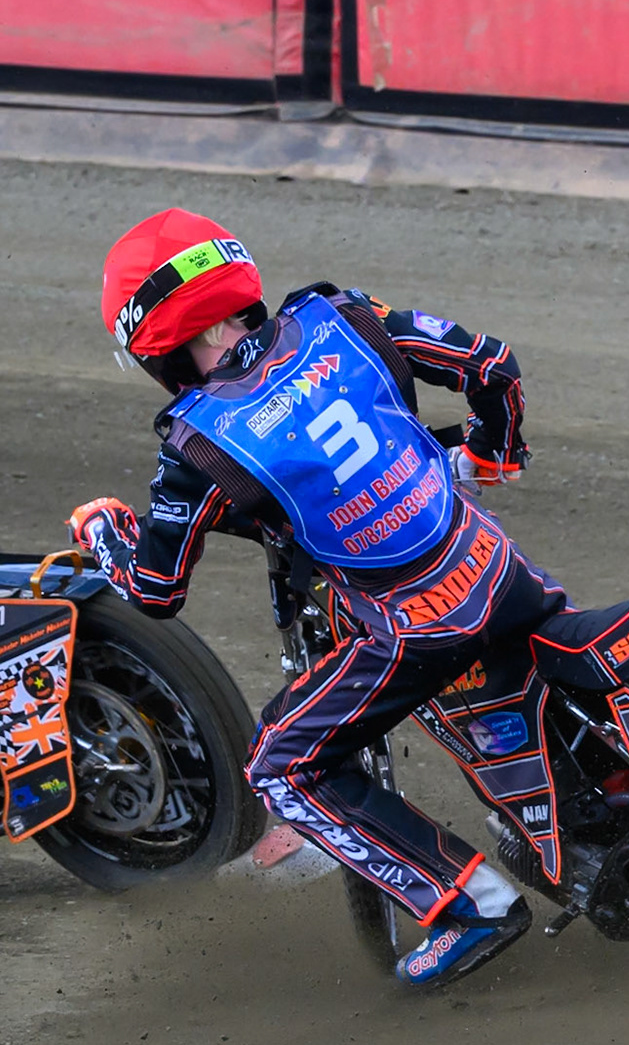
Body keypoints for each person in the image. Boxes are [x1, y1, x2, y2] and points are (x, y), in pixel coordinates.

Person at [71, 207, 576, 987]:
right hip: (503, 570)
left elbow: (155, 588)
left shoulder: (200, 441)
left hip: (416, 631)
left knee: (281, 761)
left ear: (156, 344)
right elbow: (493, 364)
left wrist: (103, 529)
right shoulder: (344, 317)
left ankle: (469, 898)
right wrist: (489, 454)